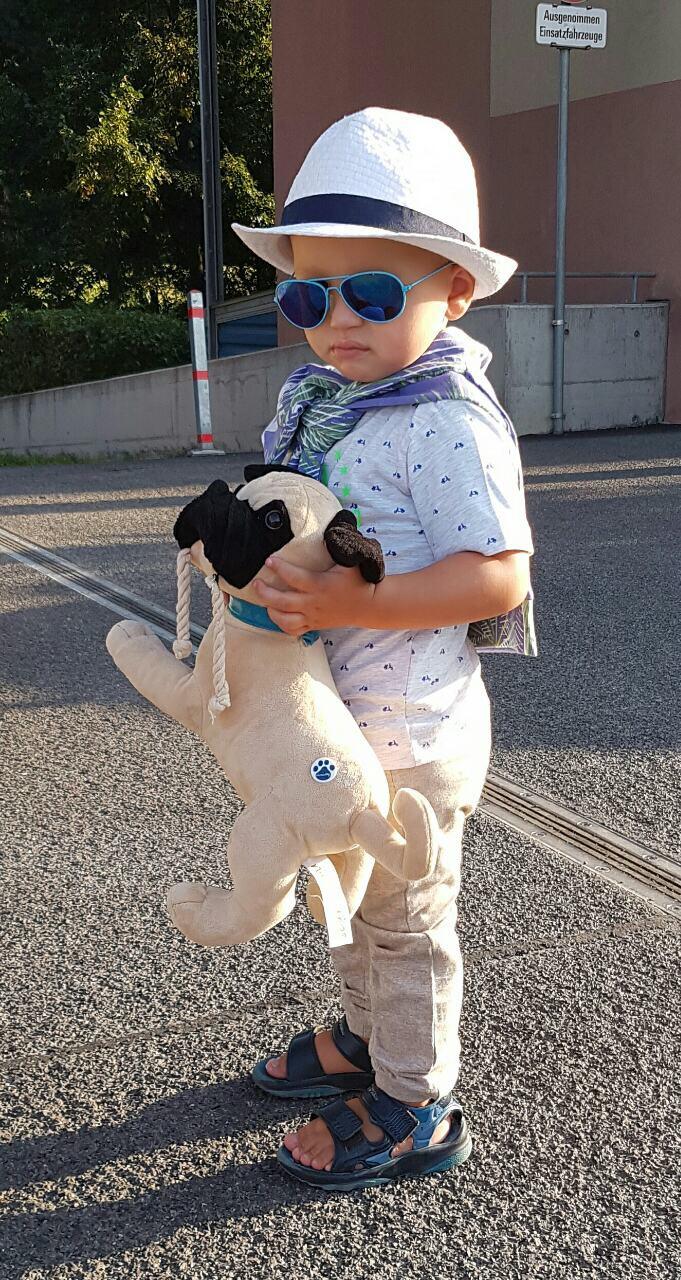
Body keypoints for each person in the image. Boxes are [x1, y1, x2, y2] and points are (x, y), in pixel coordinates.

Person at [230, 106, 536, 1190]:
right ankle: (367, 1040)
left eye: (368, 292)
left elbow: (497, 577)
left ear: (453, 291)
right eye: (307, 296)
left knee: (405, 923)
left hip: (412, 734)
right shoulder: (327, 403)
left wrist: (351, 595)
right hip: (340, 728)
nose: (334, 321)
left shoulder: (445, 417)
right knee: (351, 902)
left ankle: (416, 1100)